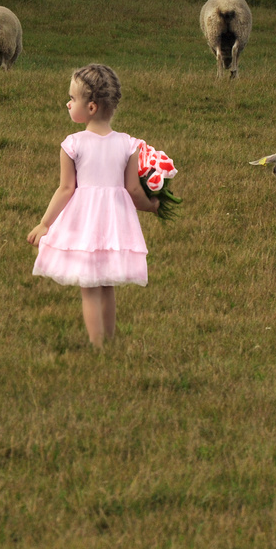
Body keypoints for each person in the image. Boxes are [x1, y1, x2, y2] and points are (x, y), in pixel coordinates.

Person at [26, 63, 160, 347]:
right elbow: (133, 189)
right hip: (114, 223)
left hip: (85, 223)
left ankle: (97, 344)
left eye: (72, 99)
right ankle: (108, 341)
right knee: (107, 284)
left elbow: (65, 189)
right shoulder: (128, 144)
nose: (67, 103)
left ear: (91, 108)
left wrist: (45, 223)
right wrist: (150, 206)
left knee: (89, 288)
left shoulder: (72, 144)